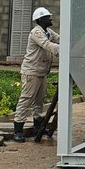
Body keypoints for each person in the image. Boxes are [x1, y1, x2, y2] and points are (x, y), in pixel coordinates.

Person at [13, 7, 59, 143]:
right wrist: (64, 49)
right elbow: (47, 45)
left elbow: (58, 38)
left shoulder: (48, 31)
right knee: (26, 99)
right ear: (41, 19)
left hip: (41, 72)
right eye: (48, 17)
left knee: (39, 101)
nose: (50, 18)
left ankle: (37, 127)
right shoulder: (36, 32)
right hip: (32, 72)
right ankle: (18, 130)